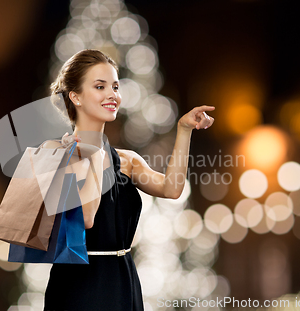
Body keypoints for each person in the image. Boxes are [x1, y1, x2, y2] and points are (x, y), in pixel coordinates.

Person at [43, 49, 214, 311]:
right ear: (75, 96)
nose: (112, 95)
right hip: (78, 285)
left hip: (123, 281)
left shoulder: (127, 160)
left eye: (115, 86)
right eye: (100, 86)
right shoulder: (56, 154)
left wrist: (184, 130)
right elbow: (86, 217)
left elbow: (172, 189)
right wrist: (91, 153)